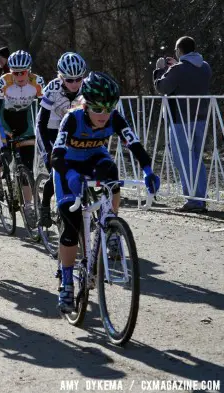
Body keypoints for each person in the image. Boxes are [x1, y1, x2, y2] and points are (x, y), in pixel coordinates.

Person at [52, 72, 160, 313]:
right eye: (98, 109)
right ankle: (67, 282)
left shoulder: (115, 119)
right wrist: (69, 176)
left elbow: (136, 145)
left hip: (94, 160)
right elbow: (56, 156)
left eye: (109, 108)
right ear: (86, 104)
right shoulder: (72, 119)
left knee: (110, 170)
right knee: (71, 225)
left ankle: (110, 223)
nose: (104, 115)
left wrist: (148, 170)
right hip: (67, 166)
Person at [153, 36, 211, 213]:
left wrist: (160, 70)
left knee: (183, 159)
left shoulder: (178, 70)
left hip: (181, 119)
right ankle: (200, 197)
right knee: (196, 157)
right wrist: (173, 68)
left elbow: (162, 87)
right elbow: (188, 79)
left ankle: (193, 200)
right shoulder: (205, 67)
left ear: (179, 50)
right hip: (201, 118)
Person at [0, 50, 43, 222]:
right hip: (5, 119)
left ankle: (28, 206)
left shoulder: (37, 81)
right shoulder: (4, 81)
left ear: (29, 70)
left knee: (26, 167)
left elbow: (46, 108)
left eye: (23, 72)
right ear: (10, 71)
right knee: (3, 154)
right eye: (15, 72)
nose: (20, 76)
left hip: (24, 120)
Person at [36, 52, 87, 226]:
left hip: (72, 130)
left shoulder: (86, 88)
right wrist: (48, 153)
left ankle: (85, 210)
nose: (74, 84)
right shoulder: (52, 89)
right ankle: (44, 208)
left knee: (82, 169)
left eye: (78, 79)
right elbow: (41, 123)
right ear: (61, 77)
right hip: (50, 131)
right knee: (55, 171)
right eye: (69, 80)